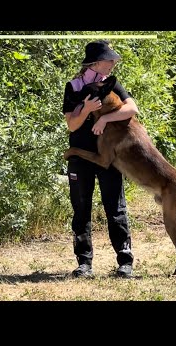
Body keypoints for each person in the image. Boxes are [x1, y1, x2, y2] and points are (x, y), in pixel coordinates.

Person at [62, 40, 139, 278]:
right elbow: (71, 124)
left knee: (115, 208)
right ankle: (84, 263)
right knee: (81, 209)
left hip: (109, 156)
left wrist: (105, 119)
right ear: (94, 63)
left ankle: (125, 262)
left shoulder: (111, 85)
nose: (113, 64)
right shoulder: (73, 87)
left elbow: (132, 109)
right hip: (81, 156)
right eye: (109, 60)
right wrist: (85, 110)